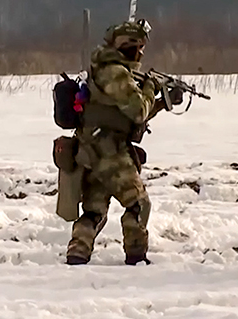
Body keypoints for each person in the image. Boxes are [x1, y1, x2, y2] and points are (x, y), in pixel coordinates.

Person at [66, 19, 183, 265]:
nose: (140, 52)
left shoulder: (107, 68)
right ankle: (136, 256)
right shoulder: (114, 71)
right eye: (136, 46)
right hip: (109, 151)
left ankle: (78, 252)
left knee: (94, 211)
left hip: (92, 150)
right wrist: (151, 89)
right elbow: (139, 109)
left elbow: (126, 116)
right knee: (138, 204)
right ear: (123, 45)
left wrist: (163, 103)